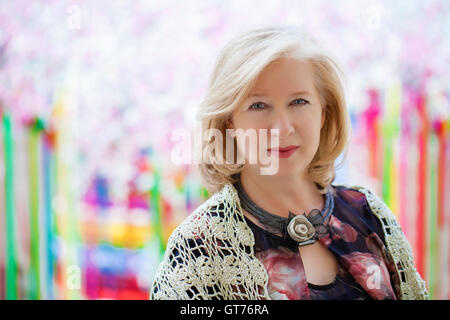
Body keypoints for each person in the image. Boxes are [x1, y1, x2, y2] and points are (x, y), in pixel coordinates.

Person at [150, 25, 429, 300]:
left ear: (323, 112)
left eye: (298, 101)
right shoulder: (198, 248)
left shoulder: (369, 213)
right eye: (258, 105)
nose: (282, 128)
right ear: (229, 122)